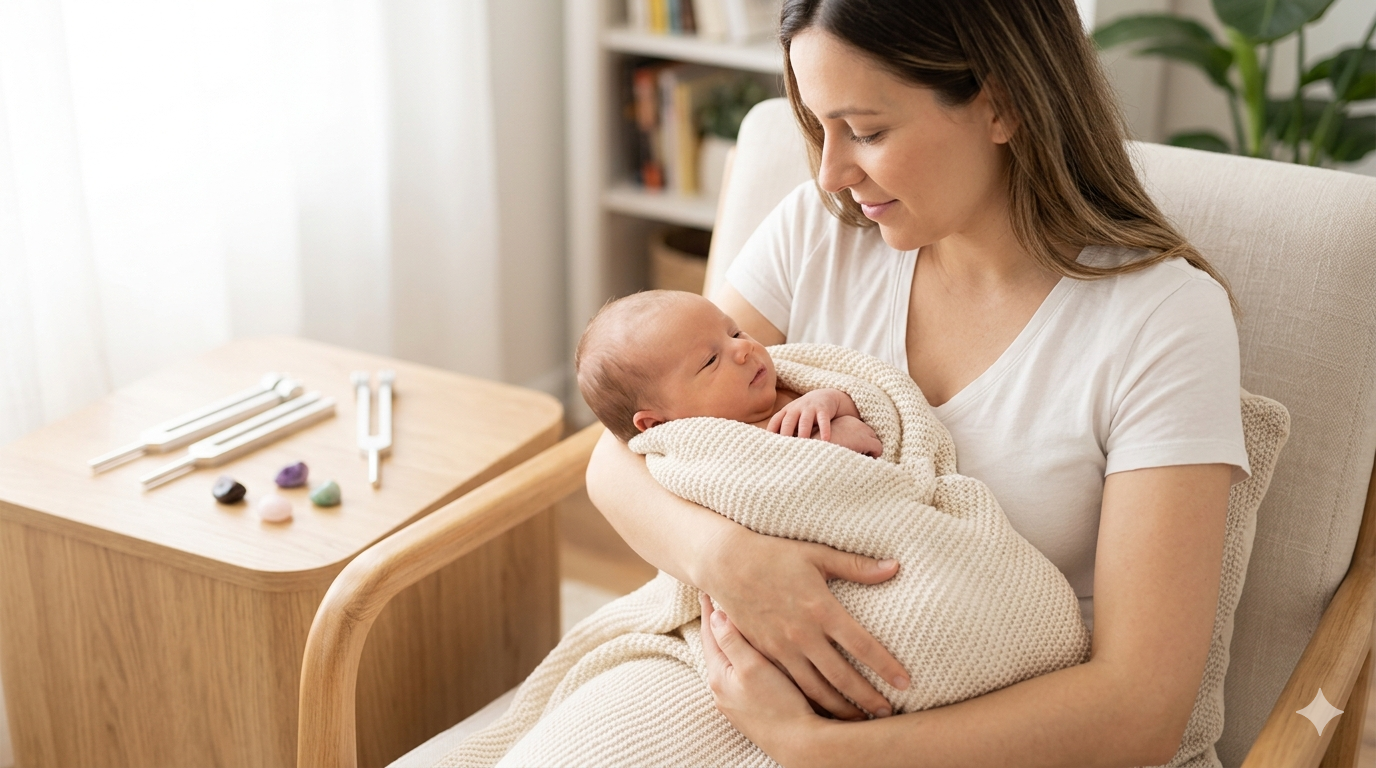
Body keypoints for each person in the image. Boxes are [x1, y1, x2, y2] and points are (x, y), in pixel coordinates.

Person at [585, 0, 1250, 765]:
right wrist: (730, 561)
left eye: (866, 131)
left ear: (1002, 104)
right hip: (743, 676)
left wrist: (813, 749)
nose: (831, 170)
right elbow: (623, 449)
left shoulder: (1162, 320)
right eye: (819, 125)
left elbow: (1141, 710)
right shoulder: (820, 229)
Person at [575, 289, 883, 457]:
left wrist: (831, 400)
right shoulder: (712, 456)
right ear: (658, 424)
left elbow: (871, 400)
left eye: (734, 332)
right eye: (710, 360)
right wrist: (828, 445)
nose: (744, 348)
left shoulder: (788, 385)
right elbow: (772, 488)